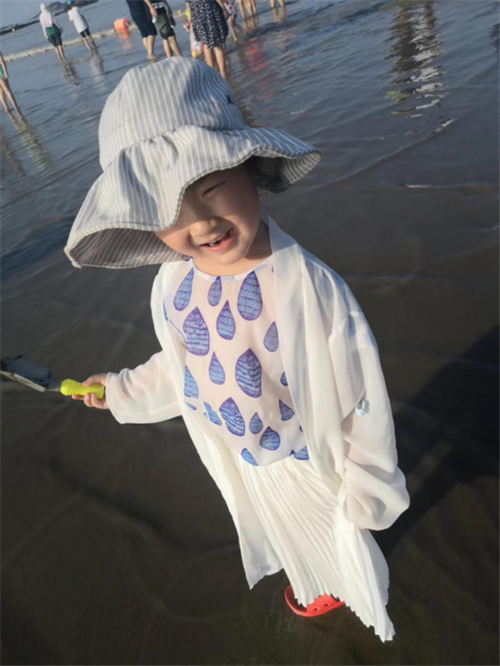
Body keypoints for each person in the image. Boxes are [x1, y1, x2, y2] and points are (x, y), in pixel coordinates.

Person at [65, 59, 410, 642]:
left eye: (211, 187)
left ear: (248, 167)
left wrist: (369, 487)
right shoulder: (174, 284)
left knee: (338, 536)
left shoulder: (306, 287)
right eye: (170, 211)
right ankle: (313, 578)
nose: (201, 223)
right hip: (246, 463)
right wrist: (119, 389)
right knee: (286, 534)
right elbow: (187, 370)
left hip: (307, 459)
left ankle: (345, 588)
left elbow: (360, 395)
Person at [186, 0, 229, 78]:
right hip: (208, 9)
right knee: (217, 43)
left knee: (206, 43)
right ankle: (223, 74)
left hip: (196, 12)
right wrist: (223, 7)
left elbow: (187, 4)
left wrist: (189, 19)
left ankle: (212, 74)